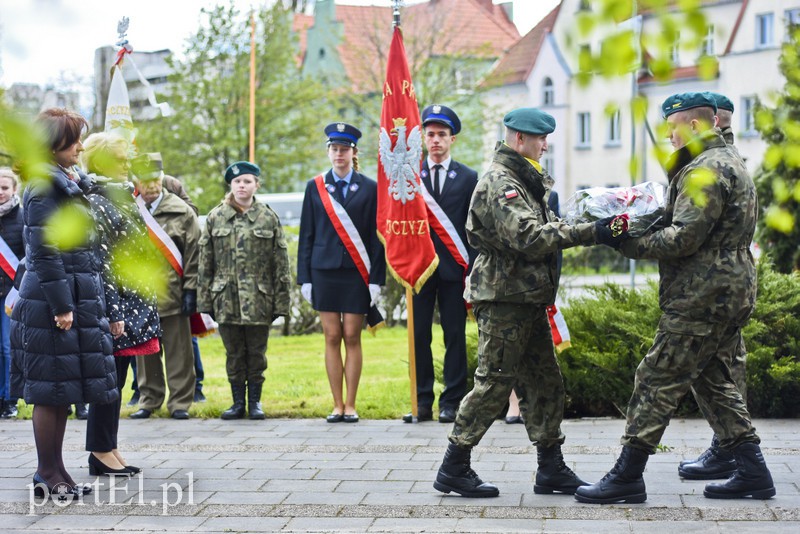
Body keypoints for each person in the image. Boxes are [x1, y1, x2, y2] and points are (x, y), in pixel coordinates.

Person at [575, 92, 775, 504]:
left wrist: (627, 242)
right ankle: (754, 471)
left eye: (675, 129)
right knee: (712, 379)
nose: (669, 137)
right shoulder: (729, 160)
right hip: (728, 288)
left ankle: (627, 475)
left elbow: (684, 237)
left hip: (702, 294)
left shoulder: (705, 170)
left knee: (656, 378)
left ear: (698, 127)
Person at [433, 108, 618, 498]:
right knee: (494, 382)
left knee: (546, 382)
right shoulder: (501, 184)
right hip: (504, 301)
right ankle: (454, 464)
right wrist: (592, 232)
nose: (545, 145)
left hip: (525, 299)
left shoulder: (524, 180)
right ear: (519, 139)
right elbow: (531, 236)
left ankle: (550, 467)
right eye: (540, 138)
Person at [10, 108, 117, 497]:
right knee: (49, 392)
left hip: (68, 294)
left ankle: (57, 473)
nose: (79, 147)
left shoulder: (65, 181)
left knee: (60, 392)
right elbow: (44, 251)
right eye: (73, 140)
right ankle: (46, 473)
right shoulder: (44, 187)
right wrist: (61, 306)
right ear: (53, 144)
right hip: (51, 303)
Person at [81, 133, 161, 476]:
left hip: (133, 301)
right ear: (101, 161)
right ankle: (99, 450)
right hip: (118, 306)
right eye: (121, 158)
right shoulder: (98, 199)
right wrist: (113, 313)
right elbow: (105, 260)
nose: (127, 164)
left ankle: (109, 446)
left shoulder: (120, 194)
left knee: (119, 379)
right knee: (108, 380)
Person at [677, 91, 745, 481]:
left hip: (714, 282)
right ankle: (729, 448)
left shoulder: (716, 163)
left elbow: (689, 231)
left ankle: (730, 449)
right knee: (721, 365)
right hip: (725, 280)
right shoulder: (717, 159)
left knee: (720, 367)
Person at [297, 123, 385, 423]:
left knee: (352, 335)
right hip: (323, 271)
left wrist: (376, 279)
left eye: (344, 149)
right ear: (329, 152)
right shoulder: (316, 186)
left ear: (353, 152)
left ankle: (351, 404)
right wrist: (304, 277)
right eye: (334, 149)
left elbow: (376, 238)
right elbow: (306, 234)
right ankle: (336, 404)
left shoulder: (370, 187)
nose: (339, 154)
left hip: (357, 273)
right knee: (332, 336)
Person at [402, 105, 478, 425]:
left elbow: (473, 228)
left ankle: (452, 401)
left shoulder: (469, 177)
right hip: (418, 269)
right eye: (430, 134)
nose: (435, 140)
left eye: (441, 135)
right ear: (423, 138)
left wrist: (473, 267)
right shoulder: (408, 177)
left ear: (452, 139)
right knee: (418, 336)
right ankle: (421, 401)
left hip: (454, 270)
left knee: (454, 336)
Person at [198, 161, 291, 420]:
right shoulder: (216, 217)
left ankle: (255, 403)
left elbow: (280, 262)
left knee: (257, 354)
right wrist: (204, 303)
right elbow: (205, 262)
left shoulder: (268, 217)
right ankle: (237, 403)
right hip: (225, 298)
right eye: (238, 181)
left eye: (247, 181)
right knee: (234, 353)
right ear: (231, 185)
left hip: (259, 298)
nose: (242, 185)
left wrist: (282, 303)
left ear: (256, 185)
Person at [128, 153, 200, 420]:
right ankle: (149, 399)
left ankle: (180, 402)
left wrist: (191, 289)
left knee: (179, 351)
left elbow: (194, 253)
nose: (151, 186)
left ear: (163, 179)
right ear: (136, 181)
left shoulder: (181, 211)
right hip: (140, 294)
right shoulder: (129, 209)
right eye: (145, 181)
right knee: (145, 352)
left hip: (173, 291)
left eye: (155, 180)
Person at [505, 190, 563, 425]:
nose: (544, 149)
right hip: (507, 286)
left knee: (539, 359)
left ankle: (542, 422)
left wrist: (552, 287)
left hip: (537, 286)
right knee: (506, 355)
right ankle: (513, 402)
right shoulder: (498, 186)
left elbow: (555, 249)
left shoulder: (550, 196)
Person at [0, 168, 23, 420]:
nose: (0, 192)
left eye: (5, 188)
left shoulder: (23, 216)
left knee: (8, 348)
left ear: (14, 189)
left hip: (12, 294)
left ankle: (9, 400)